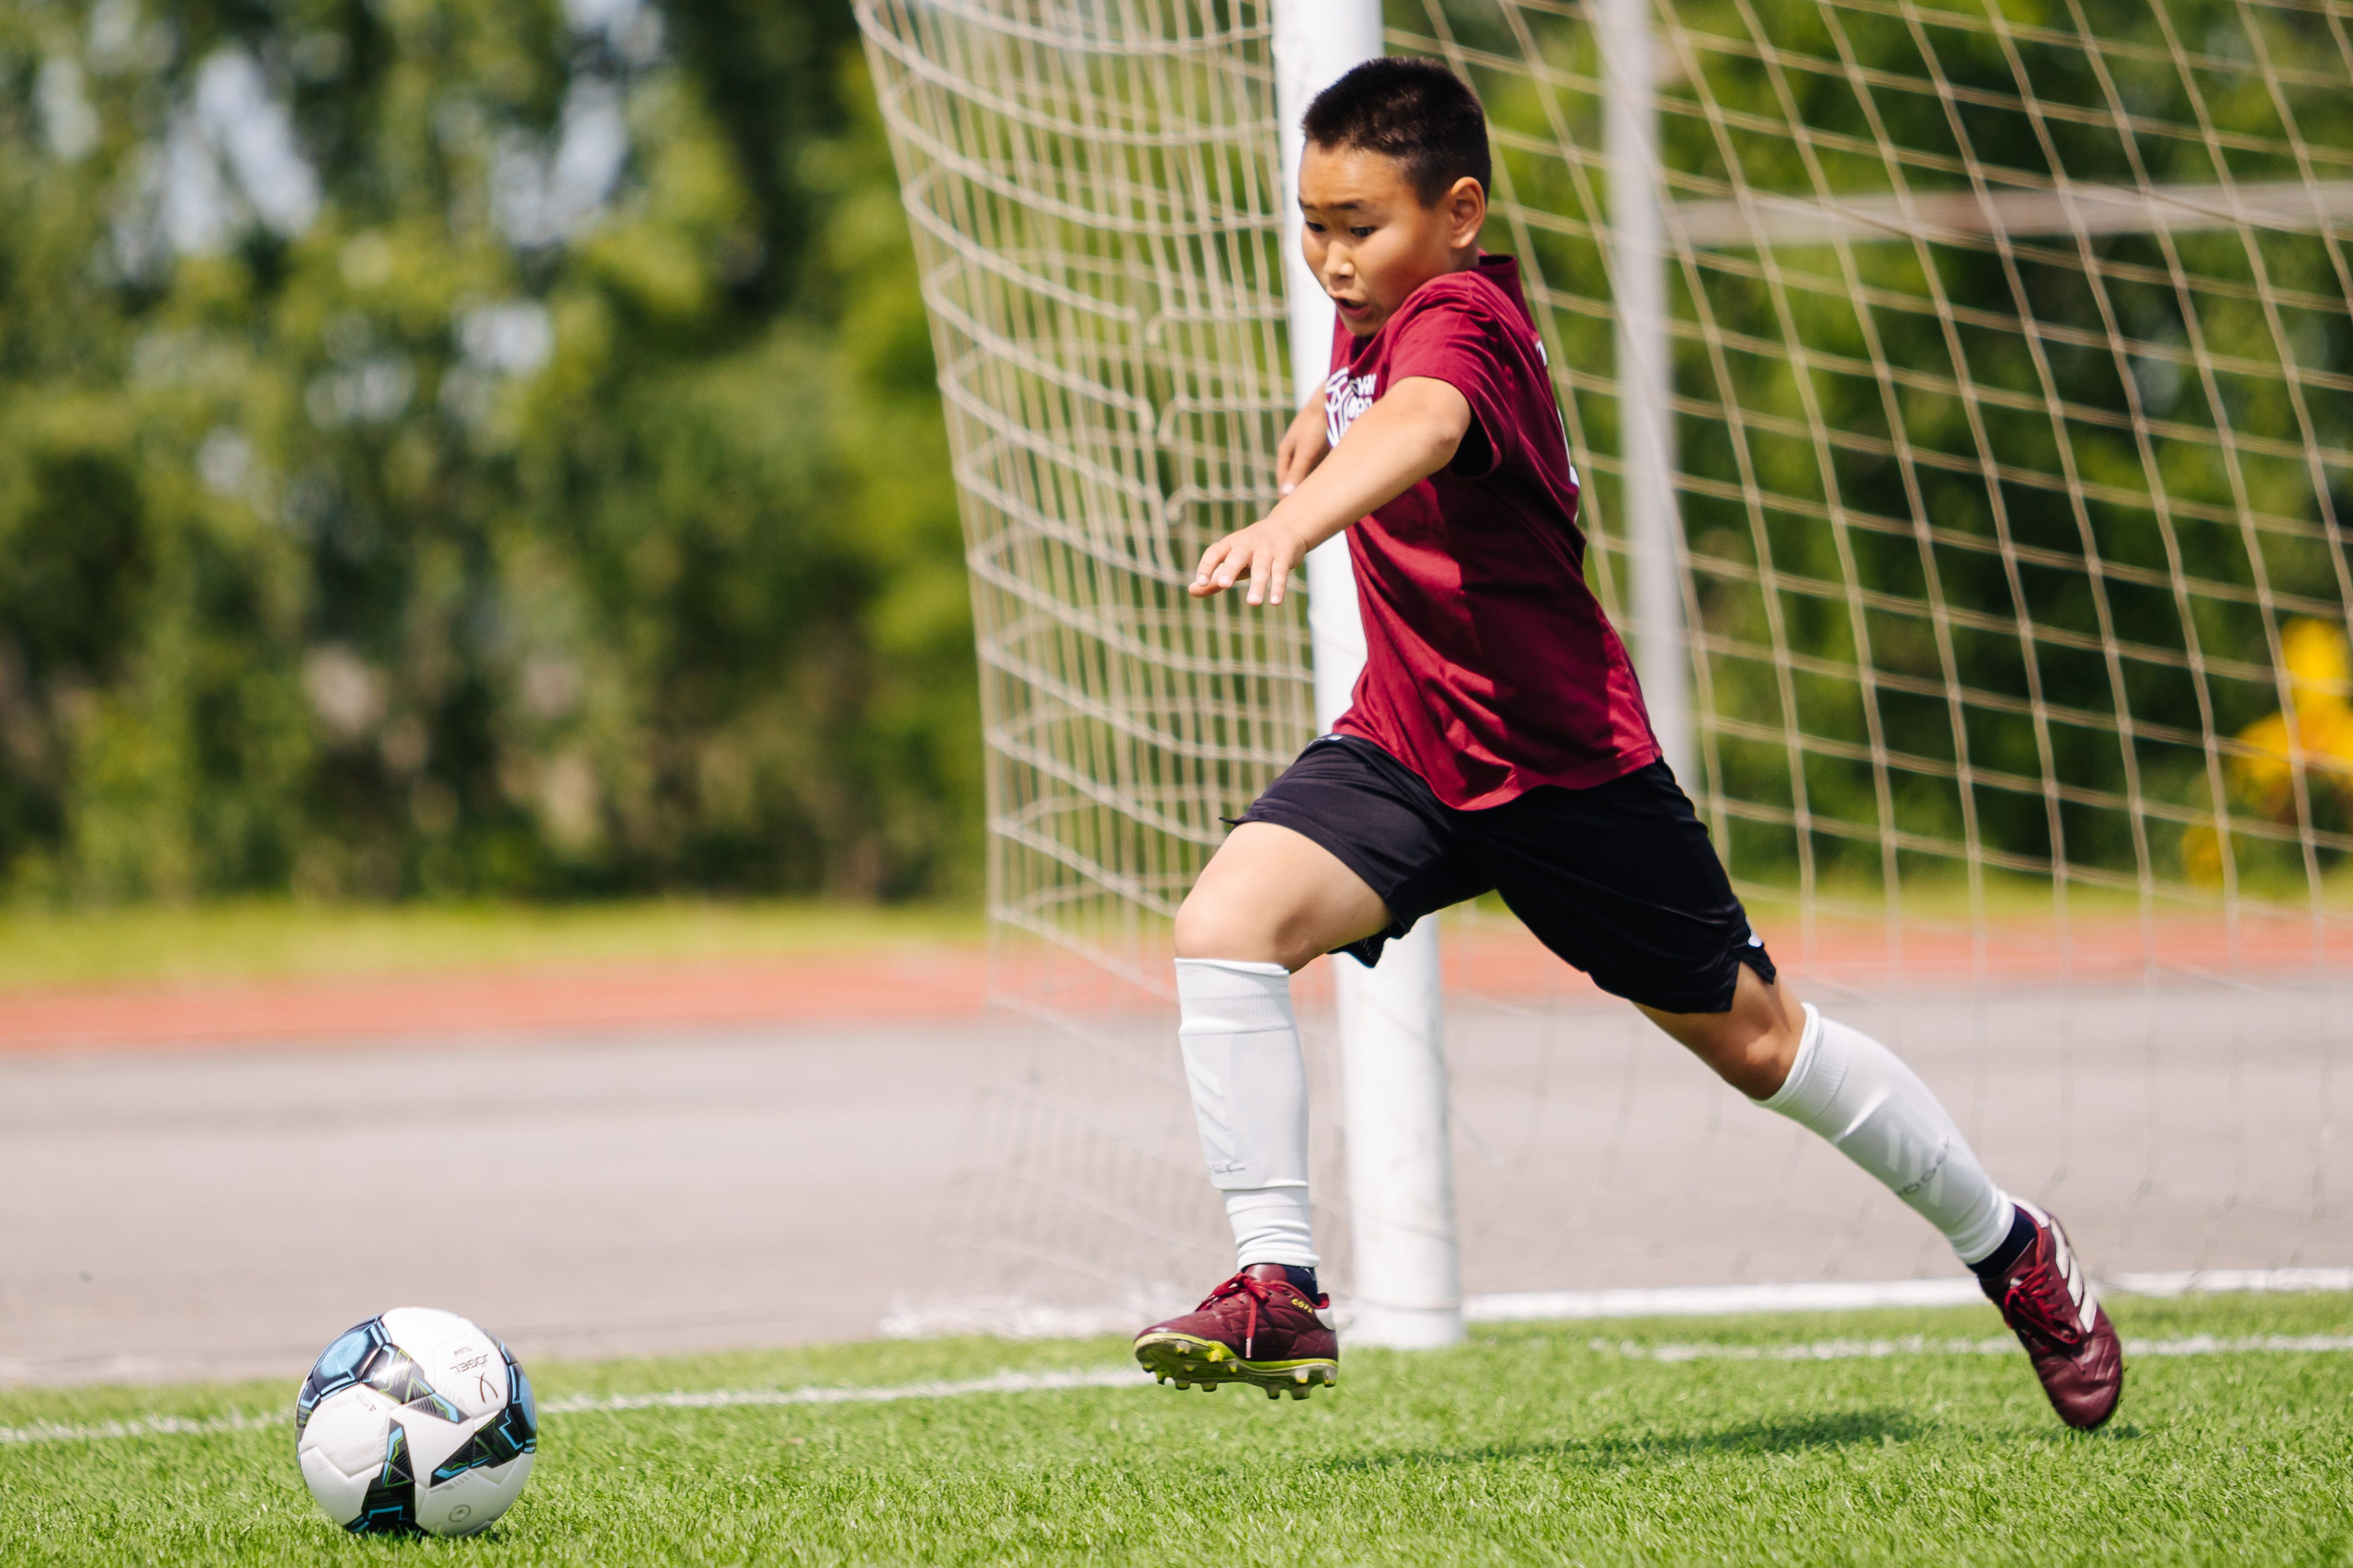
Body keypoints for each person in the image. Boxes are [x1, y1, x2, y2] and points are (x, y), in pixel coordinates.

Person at [1129, 56, 2121, 1429]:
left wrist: (1300, 520)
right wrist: (1316, 418)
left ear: (1461, 211)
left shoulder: (1461, 319)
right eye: (1311, 222)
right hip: (1412, 748)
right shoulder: (1382, 311)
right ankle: (1275, 1284)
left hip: (1564, 767)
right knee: (1225, 924)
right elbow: (1371, 396)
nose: (1331, 257)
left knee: (1766, 1045)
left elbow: (1427, 417)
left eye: (1360, 225)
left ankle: (2013, 1247)